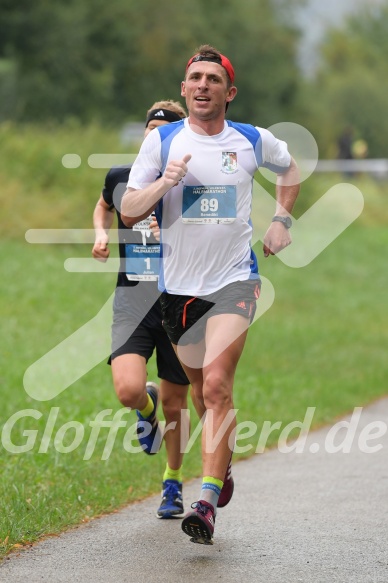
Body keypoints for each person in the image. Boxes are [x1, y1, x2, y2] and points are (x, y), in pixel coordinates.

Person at [121, 45, 300, 545]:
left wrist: (282, 220)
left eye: (213, 80)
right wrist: (163, 184)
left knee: (218, 386)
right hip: (178, 291)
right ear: (184, 89)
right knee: (199, 392)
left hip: (234, 282)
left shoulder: (250, 140)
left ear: (230, 92)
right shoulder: (161, 144)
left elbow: (291, 170)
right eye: (195, 78)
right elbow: (130, 211)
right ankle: (221, 465)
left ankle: (205, 501)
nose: (203, 86)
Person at [92, 100, 192, 519]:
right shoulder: (120, 177)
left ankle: (172, 482)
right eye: (150, 129)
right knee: (129, 391)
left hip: (180, 300)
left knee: (177, 406)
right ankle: (144, 410)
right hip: (132, 300)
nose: (154, 137)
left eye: (163, 132)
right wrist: (100, 234)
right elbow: (105, 206)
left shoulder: (190, 183)